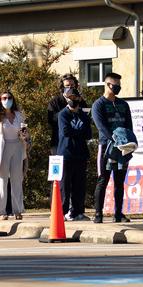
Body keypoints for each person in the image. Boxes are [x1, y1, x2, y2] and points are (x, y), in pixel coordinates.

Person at [91, 72, 133, 223]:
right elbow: (101, 126)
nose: (118, 88)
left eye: (120, 85)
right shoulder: (99, 104)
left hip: (123, 148)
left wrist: (128, 142)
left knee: (119, 182)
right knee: (103, 180)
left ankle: (118, 214)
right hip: (106, 147)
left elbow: (129, 125)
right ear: (108, 85)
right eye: (116, 85)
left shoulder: (123, 104)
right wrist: (115, 139)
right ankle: (98, 214)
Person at [0, 91, 27, 220]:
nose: (7, 100)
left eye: (9, 98)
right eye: (4, 98)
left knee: (17, 179)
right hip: (2, 148)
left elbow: (23, 134)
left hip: (17, 146)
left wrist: (24, 135)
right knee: (2, 180)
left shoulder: (19, 116)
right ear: (0, 100)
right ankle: (1, 211)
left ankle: (18, 210)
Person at [56, 88, 92, 221]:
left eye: (75, 98)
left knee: (79, 186)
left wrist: (76, 130)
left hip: (81, 154)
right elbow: (65, 131)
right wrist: (80, 130)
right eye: (70, 98)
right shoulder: (63, 115)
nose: (73, 101)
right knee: (65, 186)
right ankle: (62, 212)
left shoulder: (83, 115)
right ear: (66, 99)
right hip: (66, 154)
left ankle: (77, 212)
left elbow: (88, 134)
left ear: (79, 99)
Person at [46, 73, 80, 155]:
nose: (70, 88)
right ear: (62, 87)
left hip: (77, 143)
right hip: (59, 143)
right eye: (67, 86)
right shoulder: (54, 102)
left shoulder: (80, 101)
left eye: (72, 85)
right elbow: (52, 120)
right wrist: (67, 109)